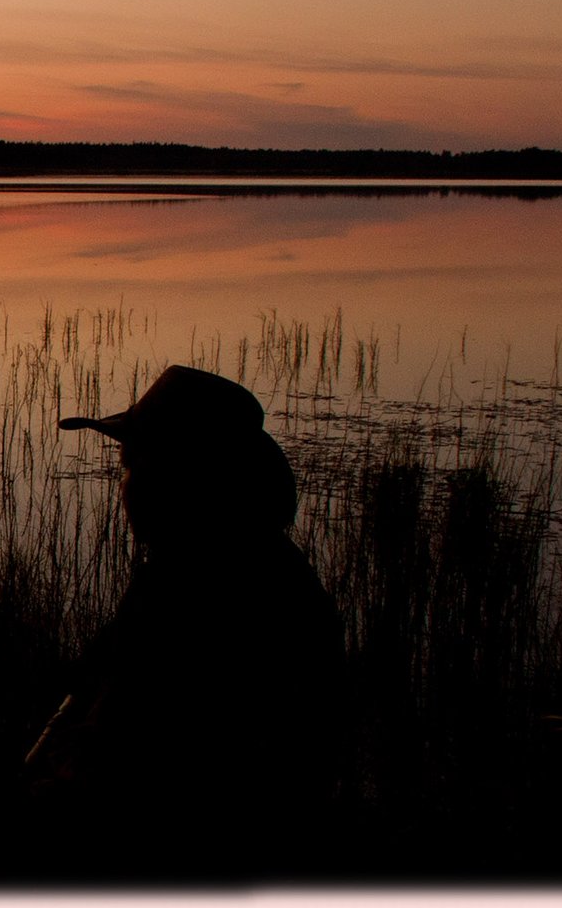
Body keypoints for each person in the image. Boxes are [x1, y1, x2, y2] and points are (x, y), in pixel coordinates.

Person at [30, 365, 346, 880]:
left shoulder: (205, 597)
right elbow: (101, 678)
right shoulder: (219, 567)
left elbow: (140, 769)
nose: (125, 490)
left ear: (183, 480)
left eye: (133, 469)